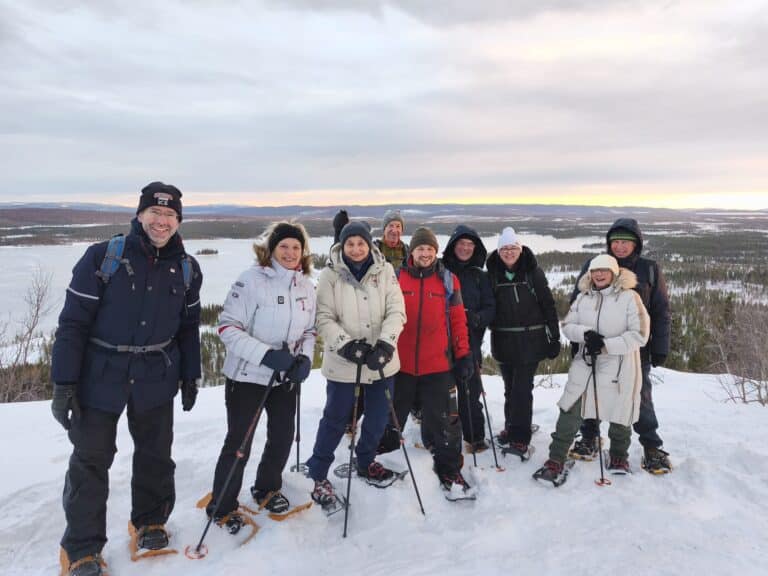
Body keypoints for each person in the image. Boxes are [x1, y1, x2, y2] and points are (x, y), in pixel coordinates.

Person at [51, 182, 202, 576]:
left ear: (178, 221)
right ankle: (82, 548)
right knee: (90, 462)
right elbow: (72, 325)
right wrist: (64, 384)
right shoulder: (104, 257)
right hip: (100, 377)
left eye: (170, 215)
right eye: (155, 213)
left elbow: (188, 328)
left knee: (155, 456)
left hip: (156, 375)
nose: (162, 221)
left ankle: (150, 522)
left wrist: (191, 375)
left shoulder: (186, 267)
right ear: (140, 215)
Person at [206, 221, 316, 531]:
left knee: (282, 436)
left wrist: (304, 358)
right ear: (271, 249)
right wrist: (266, 355)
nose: (291, 252)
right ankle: (222, 505)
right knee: (240, 443)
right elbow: (228, 327)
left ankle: (267, 488)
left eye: (296, 247)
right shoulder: (251, 280)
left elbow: (309, 330)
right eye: (284, 246)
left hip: (285, 378)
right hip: (248, 377)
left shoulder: (305, 284)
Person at [307, 221, 406, 506]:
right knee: (335, 419)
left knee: (377, 418)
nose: (356, 248)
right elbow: (323, 317)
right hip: (344, 361)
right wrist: (347, 346)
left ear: (369, 244)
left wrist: (386, 343)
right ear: (342, 245)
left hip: (381, 361)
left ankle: (365, 461)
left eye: (361, 243)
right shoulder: (330, 274)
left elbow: (396, 310)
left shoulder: (385, 271)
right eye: (350, 243)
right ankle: (318, 473)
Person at [533, 254, 650, 485]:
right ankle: (556, 458)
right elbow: (567, 326)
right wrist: (585, 334)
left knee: (620, 413)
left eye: (604, 270)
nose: (598, 274)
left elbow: (640, 335)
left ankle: (618, 456)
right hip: (586, 364)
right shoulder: (583, 298)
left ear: (614, 273)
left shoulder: (630, 297)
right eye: (595, 271)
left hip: (620, 365)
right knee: (570, 409)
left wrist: (606, 345)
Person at [569, 218, 672, 474]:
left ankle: (651, 446)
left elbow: (660, 311)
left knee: (639, 396)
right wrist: (578, 340)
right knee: (591, 391)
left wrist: (660, 345)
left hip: (634, 351)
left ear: (636, 244)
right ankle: (590, 437)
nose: (620, 246)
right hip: (595, 349)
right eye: (615, 241)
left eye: (626, 242)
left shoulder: (648, 269)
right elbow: (578, 304)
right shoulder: (594, 266)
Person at [378, 227, 475, 494]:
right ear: (413, 251)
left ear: (436, 252)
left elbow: (457, 320)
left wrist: (464, 354)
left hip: (437, 365)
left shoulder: (448, 280)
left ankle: (450, 469)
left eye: (430, 249)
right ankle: (381, 461)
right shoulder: (396, 278)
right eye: (421, 248)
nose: (425, 254)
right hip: (401, 365)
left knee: (444, 420)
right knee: (390, 416)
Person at [486, 227, 561, 460]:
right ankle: (512, 427)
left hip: (530, 340)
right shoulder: (492, 274)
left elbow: (548, 304)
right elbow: (488, 307)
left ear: (520, 249)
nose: (509, 252)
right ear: (499, 251)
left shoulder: (532, 272)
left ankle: (520, 438)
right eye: (505, 249)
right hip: (503, 341)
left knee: (521, 390)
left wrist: (554, 336)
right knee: (510, 389)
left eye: (513, 248)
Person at [441, 225, 496, 452]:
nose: (465, 248)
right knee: (441, 392)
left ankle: (475, 437)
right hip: (441, 341)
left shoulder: (479, 277)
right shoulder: (441, 270)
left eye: (470, 245)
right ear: (453, 246)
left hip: (470, 342)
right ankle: (441, 436)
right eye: (461, 244)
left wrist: (476, 318)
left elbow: (491, 308)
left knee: (470, 392)